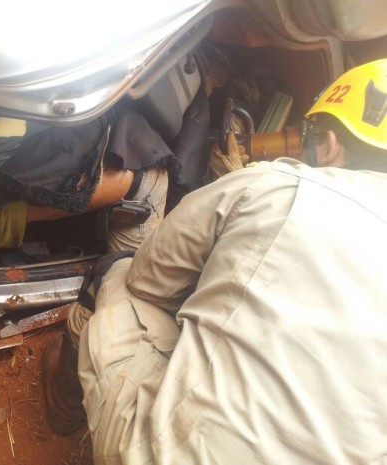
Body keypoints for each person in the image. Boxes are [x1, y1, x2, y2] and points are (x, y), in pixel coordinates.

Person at [42, 58, 387, 464]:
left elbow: (147, 279)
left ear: (330, 145)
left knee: (115, 272)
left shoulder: (278, 186)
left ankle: (63, 407)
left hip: (169, 453)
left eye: (308, 135)